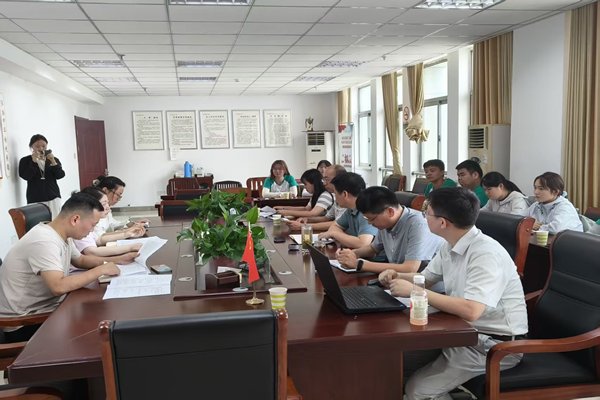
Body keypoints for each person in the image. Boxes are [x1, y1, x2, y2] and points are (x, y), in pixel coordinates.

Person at [377, 187, 527, 400]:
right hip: (462, 333)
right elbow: (426, 278)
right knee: (389, 361)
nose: (424, 216)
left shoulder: (485, 254)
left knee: (418, 391)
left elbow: (471, 310)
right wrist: (397, 275)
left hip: (493, 346)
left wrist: (416, 291)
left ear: (442, 222)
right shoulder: (451, 244)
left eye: (427, 212)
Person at [0, 193, 138, 342]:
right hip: (25, 322)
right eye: (93, 224)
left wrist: (117, 260)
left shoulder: (60, 233)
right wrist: (101, 269)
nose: (92, 230)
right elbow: (58, 286)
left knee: (104, 311)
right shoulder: (44, 241)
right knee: (99, 329)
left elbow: (80, 260)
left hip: (50, 306)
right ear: (75, 219)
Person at [337, 186, 444, 274]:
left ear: (390, 212)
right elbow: (373, 249)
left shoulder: (418, 224)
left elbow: (410, 268)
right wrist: (351, 254)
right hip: (396, 281)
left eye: (371, 219)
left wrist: (358, 264)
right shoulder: (385, 223)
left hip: (425, 288)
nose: (370, 223)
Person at [73, 187, 144, 255]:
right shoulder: (81, 224)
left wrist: (128, 234)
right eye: (104, 204)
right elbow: (91, 252)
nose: (108, 208)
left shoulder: (87, 220)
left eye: (107, 203)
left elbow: (99, 240)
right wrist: (129, 247)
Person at [317, 173, 379, 250]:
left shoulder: (366, 211)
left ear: (345, 194)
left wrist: (335, 234)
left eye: (335, 193)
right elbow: (334, 226)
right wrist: (339, 236)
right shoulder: (350, 209)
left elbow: (363, 243)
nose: (335, 198)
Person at [286, 165, 347, 231]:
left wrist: (304, 226)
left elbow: (338, 224)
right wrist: (307, 219)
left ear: (339, 179)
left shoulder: (345, 198)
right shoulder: (337, 198)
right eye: (323, 180)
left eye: (327, 180)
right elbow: (326, 218)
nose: (324, 183)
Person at [18, 134, 66, 218]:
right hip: (35, 198)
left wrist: (53, 161)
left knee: (55, 221)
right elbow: (26, 176)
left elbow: (60, 175)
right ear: (31, 147)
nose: (41, 148)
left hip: (53, 197)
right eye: (37, 146)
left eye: (43, 146)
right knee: (38, 222)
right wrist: (33, 162)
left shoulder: (53, 159)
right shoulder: (25, 160)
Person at [93, 175, 149, 244]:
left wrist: (131, 224)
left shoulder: (106, 207)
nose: (118, 199)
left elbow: (112, 224)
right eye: (118, 195)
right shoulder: (93, 210)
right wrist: (128, 231)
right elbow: (100, 237)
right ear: (105, 190)